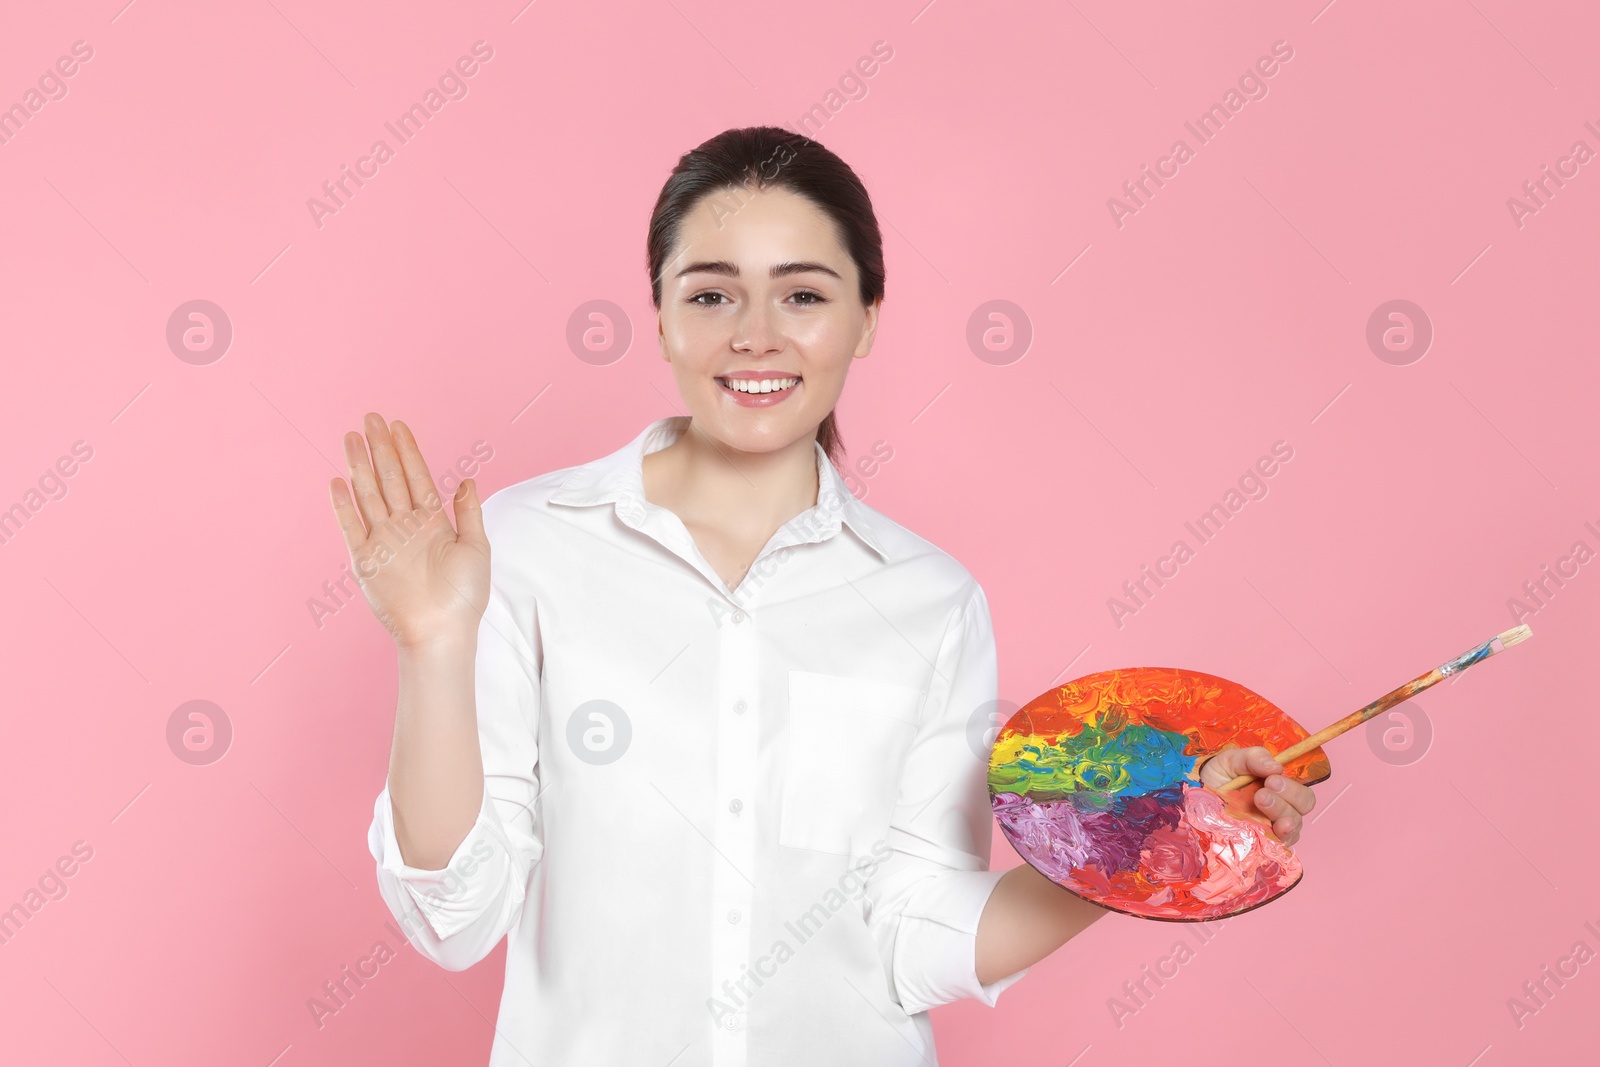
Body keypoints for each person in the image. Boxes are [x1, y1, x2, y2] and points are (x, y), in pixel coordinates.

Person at [327, 126, 1317, 1066]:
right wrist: (433, 643)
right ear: (661, 316)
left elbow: (913, 926)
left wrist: (1149, 843)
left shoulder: (930, 599)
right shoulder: (522, 544)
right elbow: (453, 918)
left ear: (867, 319)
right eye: (711, 295)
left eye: (802, 295)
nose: (756, 336)